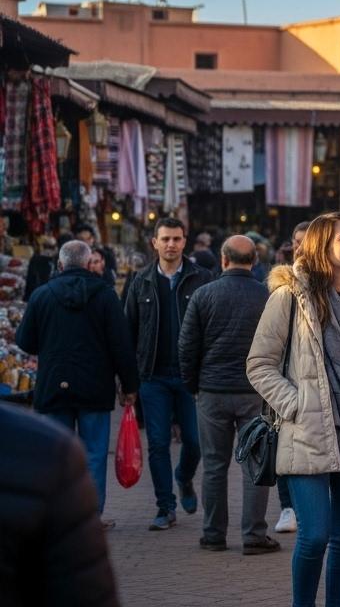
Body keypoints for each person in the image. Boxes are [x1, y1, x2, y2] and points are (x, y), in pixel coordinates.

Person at [247, 213, 340, 607]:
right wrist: (296, 404)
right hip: (308, 430)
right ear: (320, 248)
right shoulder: (290, 296)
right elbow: (259, 363)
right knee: (314, 535)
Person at [16, 240, 138, 527]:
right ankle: (89, 518)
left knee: (54, 452)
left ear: (60, 265)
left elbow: (25, 341)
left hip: (52, 385)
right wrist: (130, 385)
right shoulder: (105, 296)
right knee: (94, 453)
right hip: (95, 386)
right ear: (88, 263)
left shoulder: (41, 295)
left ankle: (58, 516)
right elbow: (121, 345)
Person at [178, 235, 280, 555]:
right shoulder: (267, 296)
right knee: (256, 464)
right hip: (255, 391)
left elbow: (187, 346)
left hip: (212, 391)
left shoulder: (203, 295)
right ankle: (253, 534)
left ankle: (213, 534)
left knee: (213, 465)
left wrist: (193, 384)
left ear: (223, 260)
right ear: (254, 261)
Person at [123, 217, 214, 530]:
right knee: (158, 444)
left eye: (176, 239)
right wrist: (128, 379)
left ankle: (184, 478)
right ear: (155, 242)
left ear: (184, 242)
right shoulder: (140, 281)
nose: (171, 244)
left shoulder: (202, 278)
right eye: (165, 239)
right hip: (153, 376)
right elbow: (128, 331)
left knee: (195, 441)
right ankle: (165, 507)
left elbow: (211, 328)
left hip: (191, 376)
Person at [0, 404, 121, 606]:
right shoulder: (47, 453)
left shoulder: (49, 456)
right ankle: (96, 512)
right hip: (84, 397)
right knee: (94, 451)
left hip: (60, 396)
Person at [274, 219, 314, 535]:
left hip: (320, 385)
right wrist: (286, 395)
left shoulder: (334, 281)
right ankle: (287, 507)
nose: (299, 246)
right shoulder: (280, 283)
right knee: (285, 447)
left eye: (306, 240)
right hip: (288, 381)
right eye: (296, 241)